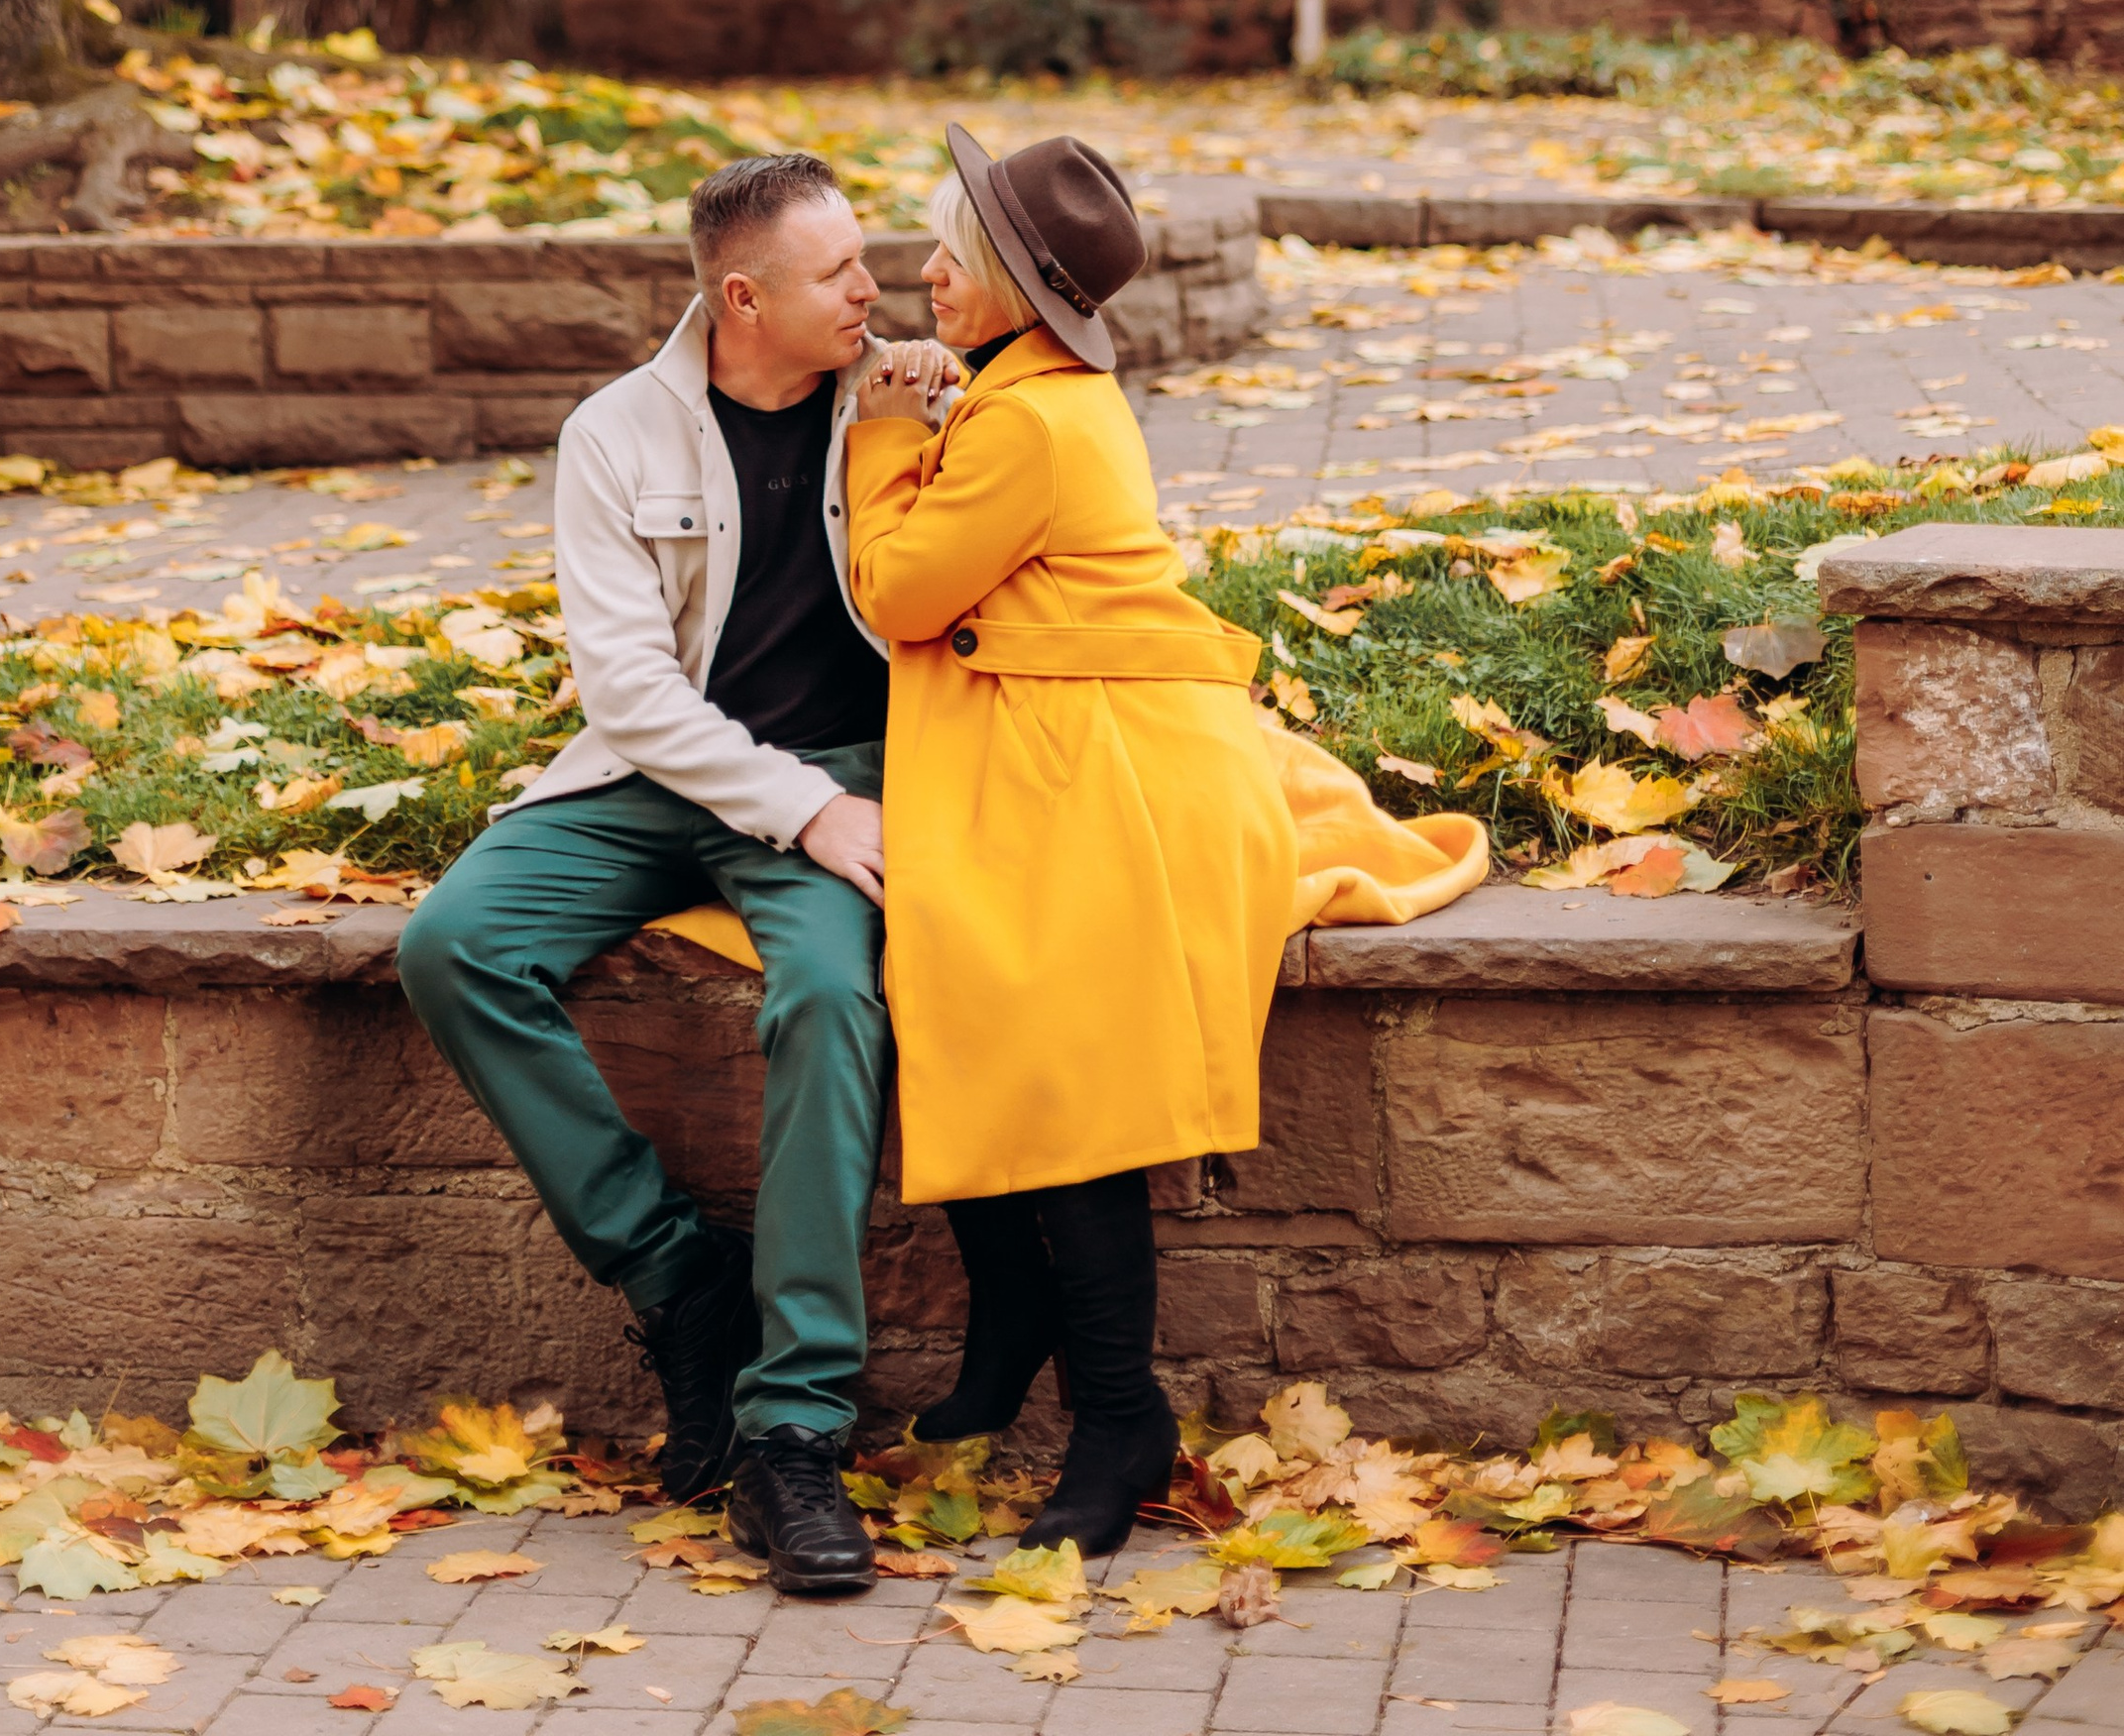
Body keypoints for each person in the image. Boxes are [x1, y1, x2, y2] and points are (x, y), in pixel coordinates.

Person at [845, 125, 1488, 1557]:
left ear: (1024, 287)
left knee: (1068, 1085)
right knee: (971, 1006)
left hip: (1108, 773)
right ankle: (1016, 1324)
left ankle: (1121, 1415)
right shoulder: (1026, 392)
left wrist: (881, 432)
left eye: (957, 253)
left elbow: (899, 592)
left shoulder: (1025, 420)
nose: (928, 272)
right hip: (1065, 743)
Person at [397, 149, 891, 1600]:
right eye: (838, 272)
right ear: (743, 298)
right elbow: (626, 691)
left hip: (841, 779)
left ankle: (795, 1426)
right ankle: (678, 1275)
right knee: (453, 946)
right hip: (663, 777)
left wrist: (831, 803)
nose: (873, 288)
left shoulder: (895, 401)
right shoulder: (616, 433)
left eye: (868, 261)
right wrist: (803, 811)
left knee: (828, 1001)